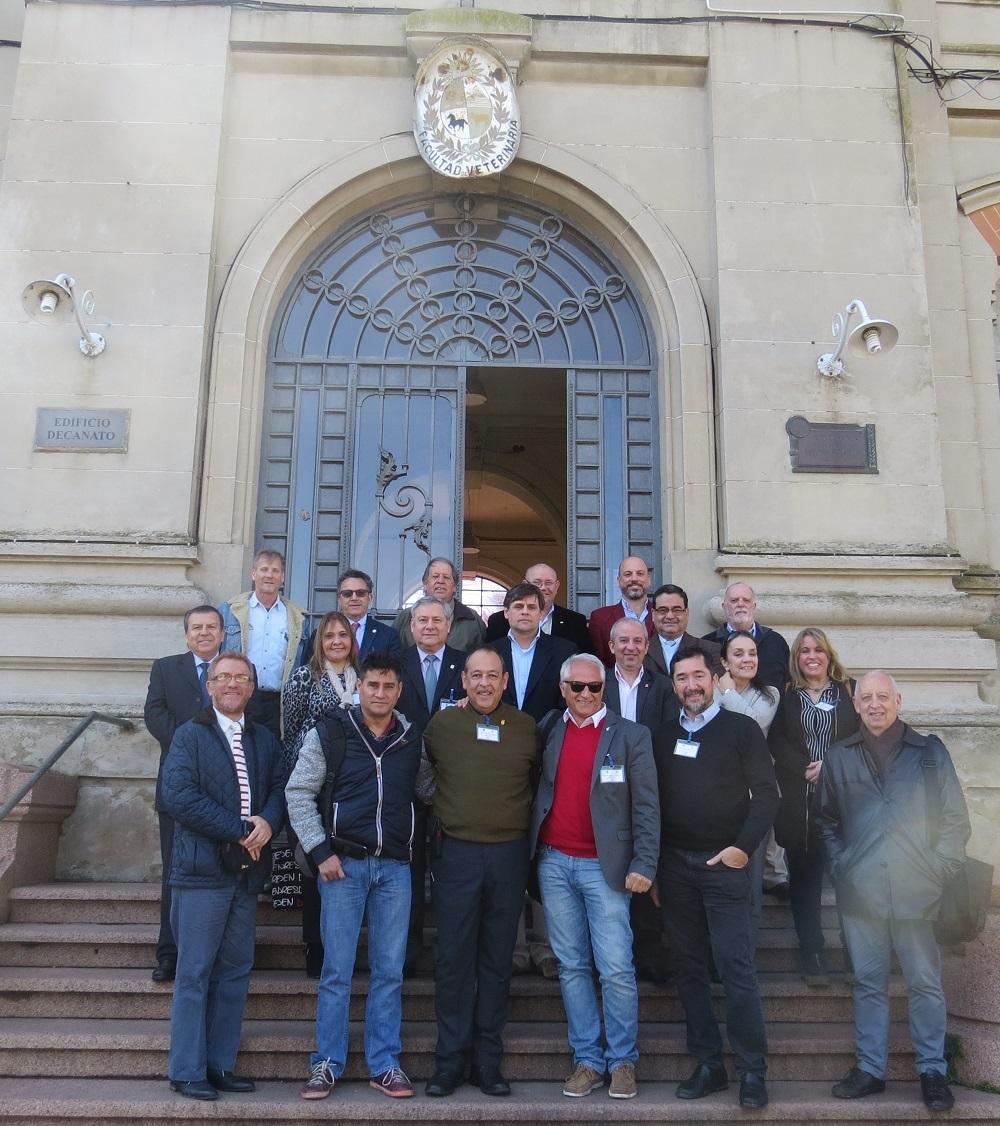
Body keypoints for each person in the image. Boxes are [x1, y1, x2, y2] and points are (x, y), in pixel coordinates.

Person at [816, 671, 970, 1113]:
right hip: (861, 890)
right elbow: (825, 819)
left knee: (924, 983)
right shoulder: (840, 755)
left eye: (883, 696)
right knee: (867, 983)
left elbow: (955, 820)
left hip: (918, 891)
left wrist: (938, 870)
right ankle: (870, 1069)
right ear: (857, 705)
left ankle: (933, 1071)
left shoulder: (928, 752)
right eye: (867, 697)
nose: (875, 704)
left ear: (898, 701)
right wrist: (842, 866)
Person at [285, 654, 422, 1101]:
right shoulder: (330, 732)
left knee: (389, 971)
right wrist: (319, 850)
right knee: (336, 970)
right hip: (342, 866)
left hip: (396, 868)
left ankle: (385, 1063)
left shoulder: (410, 737)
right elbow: (299, 792)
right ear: (358, 686)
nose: (380, 693)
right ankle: (327, 1062)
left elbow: (431, 790)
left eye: (388, 686)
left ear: (399, 690)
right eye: (372, 685)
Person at [653, 643, 779, 1110]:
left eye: (698, 677)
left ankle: (752, 1070)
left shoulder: (741, 729)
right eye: (681, 678)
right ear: (674, 685)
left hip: (725, 868)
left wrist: (741, 850)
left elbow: (767, 796)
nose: (690, 686)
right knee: (688, 969)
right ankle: (708, 1063)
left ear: (715, 677)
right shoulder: (662, 736)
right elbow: (656, 804)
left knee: (736, 968)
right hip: (677, 868)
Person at [531, 654, 659, 1100]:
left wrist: (645, 863)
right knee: (571, 967)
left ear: (605, 690)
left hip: (607, 868)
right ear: (563, 688)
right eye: (578, 687)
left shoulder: (630, 735)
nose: (586, 695)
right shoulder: (549, 727)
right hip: (554, 863)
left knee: (617, 968)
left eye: (595, 687)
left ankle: (622, 1060)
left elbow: (646, 805)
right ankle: (588, 1059)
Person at [160, 651, 285, 1101]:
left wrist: (268, 822)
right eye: (224, 677)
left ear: (251, 688)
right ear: (209, 685)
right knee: (194, 972)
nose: (233, 684)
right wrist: (239, 831)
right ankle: (187, 1070)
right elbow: (178, 796)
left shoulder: (264, 739)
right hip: (201, 873)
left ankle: (219, 1064)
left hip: (245, 875)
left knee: (235, 971)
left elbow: (277, 787)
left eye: (241, 678)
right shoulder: (189, 736)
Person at [418, 647, 540, 1098]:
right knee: (452, 960)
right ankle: (448, 1061)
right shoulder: (441, 726)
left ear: (505, 681)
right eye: (476, 676)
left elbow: (534, 785)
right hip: (457, 856)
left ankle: (488, 1062)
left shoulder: (527, 728)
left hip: (509, 857)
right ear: (464, 682)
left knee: (496, 961)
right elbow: (422, 781)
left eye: (493, 675)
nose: (485, 683)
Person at [768, 627, 858, 984]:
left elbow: (860, 735)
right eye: (804, 650)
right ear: (797, 657)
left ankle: (855, 951)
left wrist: (831, 764)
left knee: (850, 882)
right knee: (805, 886)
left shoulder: (848, 691)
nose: (811, 656)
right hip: (800, 805)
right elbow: (776, 740)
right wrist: (803, 768)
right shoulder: (789, 695)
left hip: (843, 806)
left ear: (828, 654)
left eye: (817, 649)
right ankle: (812, 952)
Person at [143, 605, 224, 984]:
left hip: (226, 794)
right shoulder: (165, 668)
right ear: (186, 634)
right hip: (177, 788)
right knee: (175, 873)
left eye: (211, 627)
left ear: (223, 634)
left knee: (224, 874)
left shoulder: (236, 669)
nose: (204, 633)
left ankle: (217, 954)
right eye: (197, 628)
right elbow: (154, 715)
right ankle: (169, 953)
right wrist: (195, 745)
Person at [280, 611, 360, 978]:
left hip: (350, 788)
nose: (337, 642)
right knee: (315, 867)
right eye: (329, 636)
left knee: (345, 870)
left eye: (343, 635)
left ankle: (346, 948)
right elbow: (291, 731)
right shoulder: (304, 678)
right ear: (320, 641)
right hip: (312, 786)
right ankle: (315, 948)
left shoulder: (363, 679)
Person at [396, 596, 468, 973]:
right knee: (408, 870)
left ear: (448, 625)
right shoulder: (397, 664)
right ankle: (407, 950)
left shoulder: (465, 666)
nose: (428, 626)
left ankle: (448, 953)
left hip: (451, 782)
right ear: (411, 626)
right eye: (421, 620)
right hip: (402, 782)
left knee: (447, 872)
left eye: (436, 620)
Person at [603, 618, 675, 985]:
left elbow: (666, 738)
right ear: (611, 646)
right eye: (624, 641)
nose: (631, 647)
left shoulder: (662, 687)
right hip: (606, 794)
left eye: (638, 641)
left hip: (649, 788)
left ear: (647, 647)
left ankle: (648, 956)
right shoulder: (595, 684)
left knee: (646, 872)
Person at [716, 631, 782, 945]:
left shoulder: (770, 694)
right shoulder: (709, 691)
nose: (747, 660)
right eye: (739, 654)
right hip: (719, 798)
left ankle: (747, 948)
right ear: (724, 661)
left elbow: (754, 728)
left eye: (752, 653)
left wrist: (728, 694)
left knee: (750, 882)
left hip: (755, 802)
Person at [219, 549, 309, 738]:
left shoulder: (297, 618)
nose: (269, 575)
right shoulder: (230, 611)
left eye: (275, 571)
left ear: (282, 577)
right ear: (253, 574)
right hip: (240, 696)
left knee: (271, 757)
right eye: (264, 569)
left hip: (279, 704)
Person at [491, 582, 577, 722]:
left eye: (532, 607)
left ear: (541, 613)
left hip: (547, 736)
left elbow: (569, 700)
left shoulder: (565, 651)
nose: (525, 611)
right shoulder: (490, 651)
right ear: (506, 612)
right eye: (518, 606)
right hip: (500, 735)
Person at [701, 582, 790, 693]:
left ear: (754, 606)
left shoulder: (775, 641)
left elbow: (788, 683)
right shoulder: (706, 644)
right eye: (734, 600)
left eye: (746, 600)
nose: (740, 604)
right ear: (724, 607)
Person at [484, 562, 591, 652]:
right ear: (525, 584)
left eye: (548, 583)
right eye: (537, 582)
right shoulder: (498, 621)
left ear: (557, 586)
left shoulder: (575, 621)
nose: (543, 588)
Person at [393, 557, 485, 652]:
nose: (440, 581)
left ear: (454, 587)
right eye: (435, 576)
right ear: (425, 584)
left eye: (446, 577)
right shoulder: (405, 617)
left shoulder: (472, 620)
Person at [587, 556, 655, 666]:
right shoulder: (600, 618)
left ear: (648, 579)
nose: (634, 579)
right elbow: (597, 664)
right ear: (619, 580)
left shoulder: (663, 616)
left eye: (640, 573)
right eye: (628, 574)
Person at [645, 584, 719, 679]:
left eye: (677, 610)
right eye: (663, 610)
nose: (670, 616)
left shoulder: (710, 650)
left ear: (686, 613)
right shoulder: (640, 650)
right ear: (653, 614)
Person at [336, 569, 402, 659]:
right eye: (347, 594)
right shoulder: (321, 635)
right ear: (339, 599)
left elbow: (394, 671)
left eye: (360, 593)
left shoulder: (389, 635)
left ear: (370, 598)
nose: (354, 598)